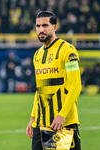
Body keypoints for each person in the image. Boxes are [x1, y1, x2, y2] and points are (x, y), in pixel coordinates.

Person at [26, 11, 82, 150]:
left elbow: (76, 85)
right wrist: (33, 119)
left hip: (63, 124)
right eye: (38, 26)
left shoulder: (67, 50)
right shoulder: (37, 55)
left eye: (45, 25)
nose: (41, 30)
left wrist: (62, 115)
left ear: (54, 27)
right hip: (40, 124)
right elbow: (40, 90)